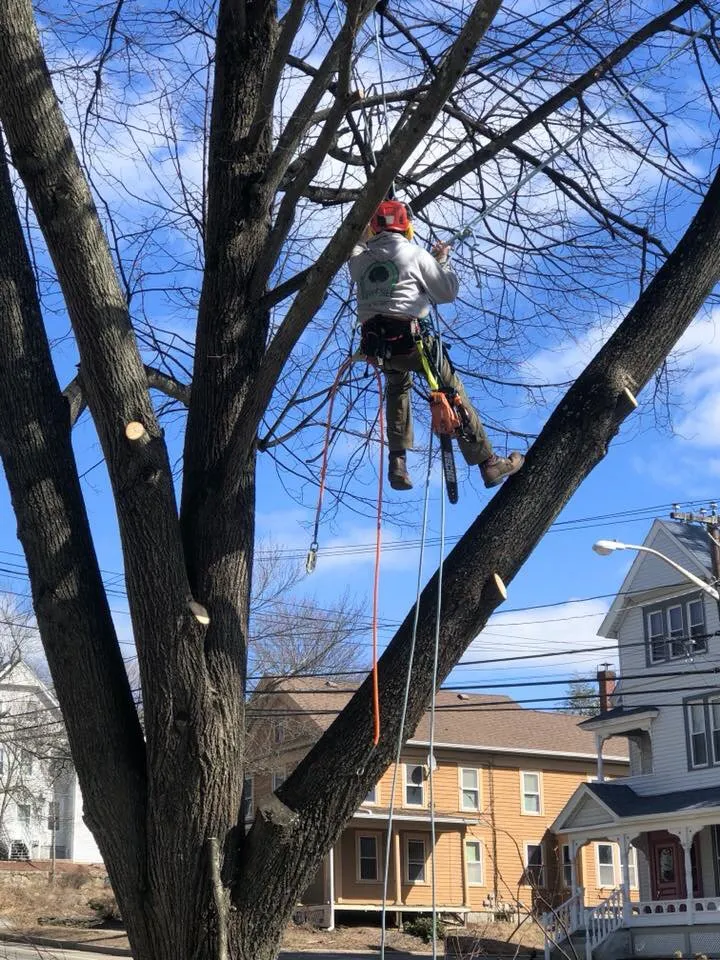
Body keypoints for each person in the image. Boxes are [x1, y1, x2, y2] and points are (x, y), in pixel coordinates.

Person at [348, 199, 524, 491]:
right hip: (416, 344)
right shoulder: (414, 254)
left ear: (373, 227)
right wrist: (441, 260)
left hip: (380, 349)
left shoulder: (359, 261)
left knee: (397, 389)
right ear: (406, 226)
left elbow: (357, 244)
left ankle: (398, 462)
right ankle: (488, 462)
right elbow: (447, 291)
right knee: (452, 390)